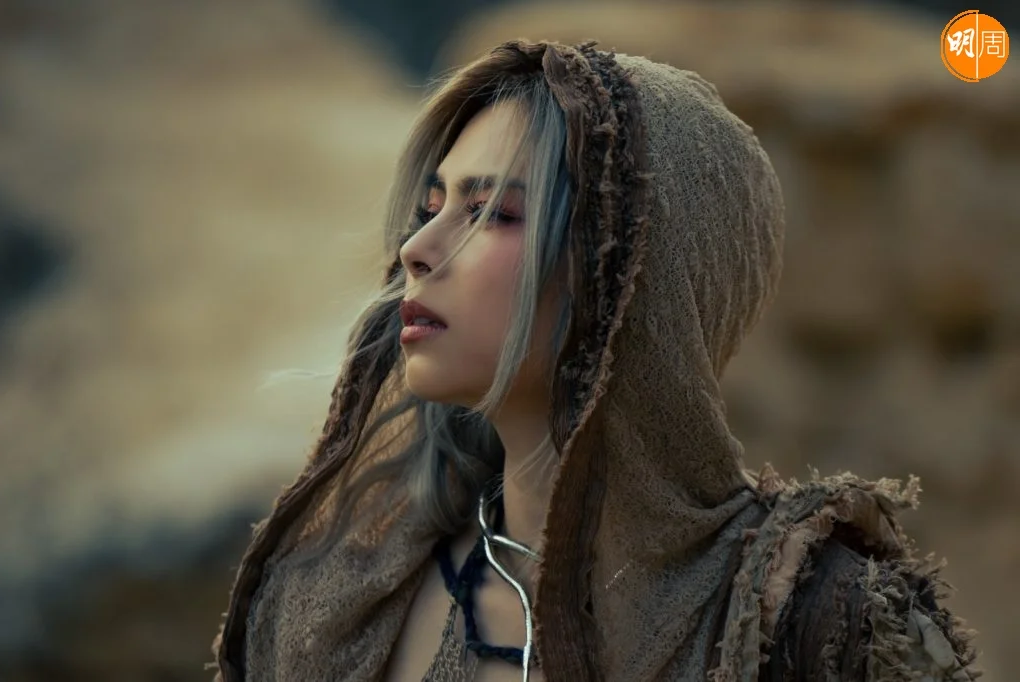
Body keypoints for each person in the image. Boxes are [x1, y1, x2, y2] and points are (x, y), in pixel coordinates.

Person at [209, 40, 979, 681]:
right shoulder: (339, 611)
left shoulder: (817, 626)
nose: (416, 250)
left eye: (491, 213)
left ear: (634, 276)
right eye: (432, 207)